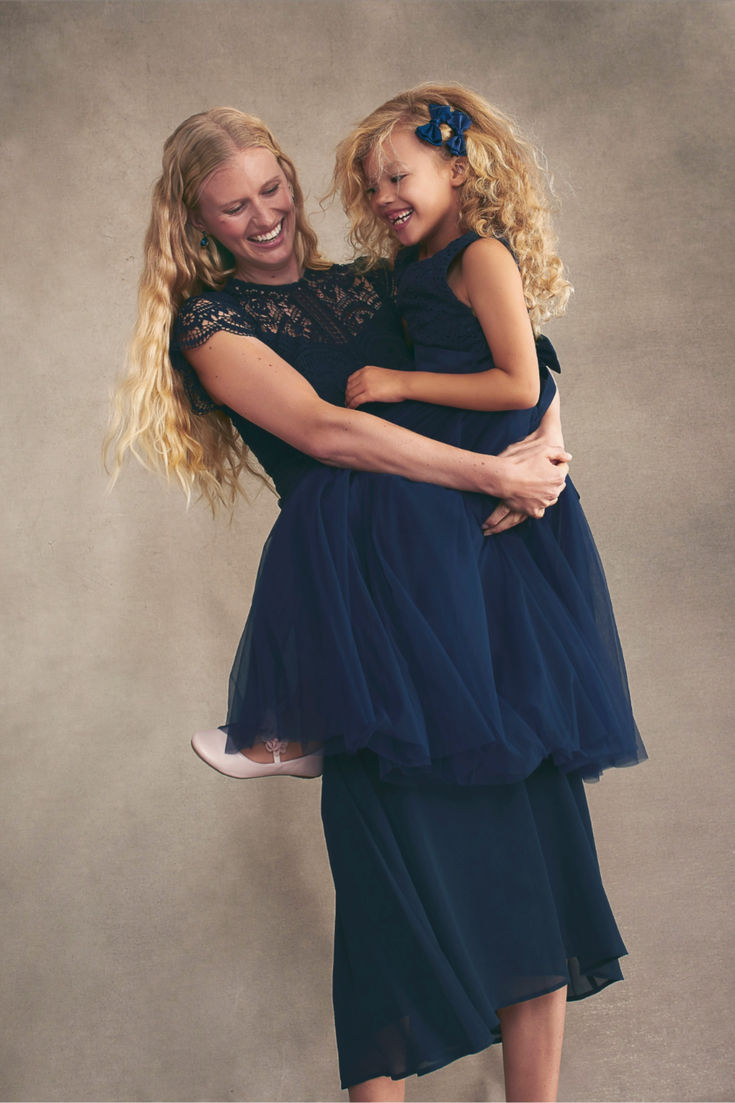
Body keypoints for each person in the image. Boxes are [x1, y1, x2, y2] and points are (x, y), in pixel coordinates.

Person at [105, 103, 636, 1103]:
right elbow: (327, 432)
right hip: (364, 617)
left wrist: (545, 451)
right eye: (232, 207)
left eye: (272, 189)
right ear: (195, 224)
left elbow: (520, 358)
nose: (262, 216)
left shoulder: (378, 282)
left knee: (535, 846)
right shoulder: (211, 325)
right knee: (389, 889)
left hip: (477, 597)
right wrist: (490, 476)